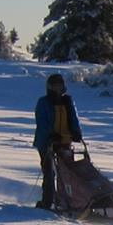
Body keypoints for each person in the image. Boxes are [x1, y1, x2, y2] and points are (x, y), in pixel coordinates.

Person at [33, 73, 83, 209]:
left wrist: (76, 132)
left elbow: (73, 118)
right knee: (50, 173)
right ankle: (47, 202)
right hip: (46, 143)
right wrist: (50, 135)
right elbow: (41, 122)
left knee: (68, 173)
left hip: (65, 141)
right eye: (54, 86)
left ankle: (70, 200)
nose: (57, 89)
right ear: (49, 87)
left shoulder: (67, 101)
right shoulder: (43, 102)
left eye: (60, 86)